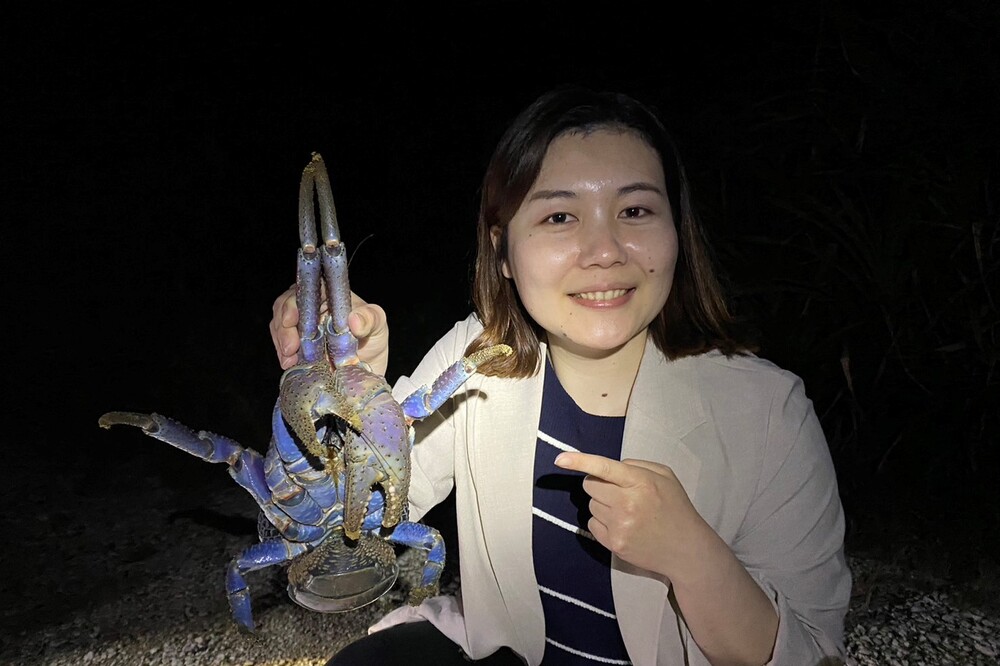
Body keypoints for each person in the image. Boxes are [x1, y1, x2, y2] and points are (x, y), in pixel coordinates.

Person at [270, 86, 851, 666]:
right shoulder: (476, 358)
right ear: (502, 250)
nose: (604, 251)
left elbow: (816, 653)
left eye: (635, 211)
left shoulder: (768, 411)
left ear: (678, 230)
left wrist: (694, 557)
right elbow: (351, 523)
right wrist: (346, 408)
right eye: (559, 216)